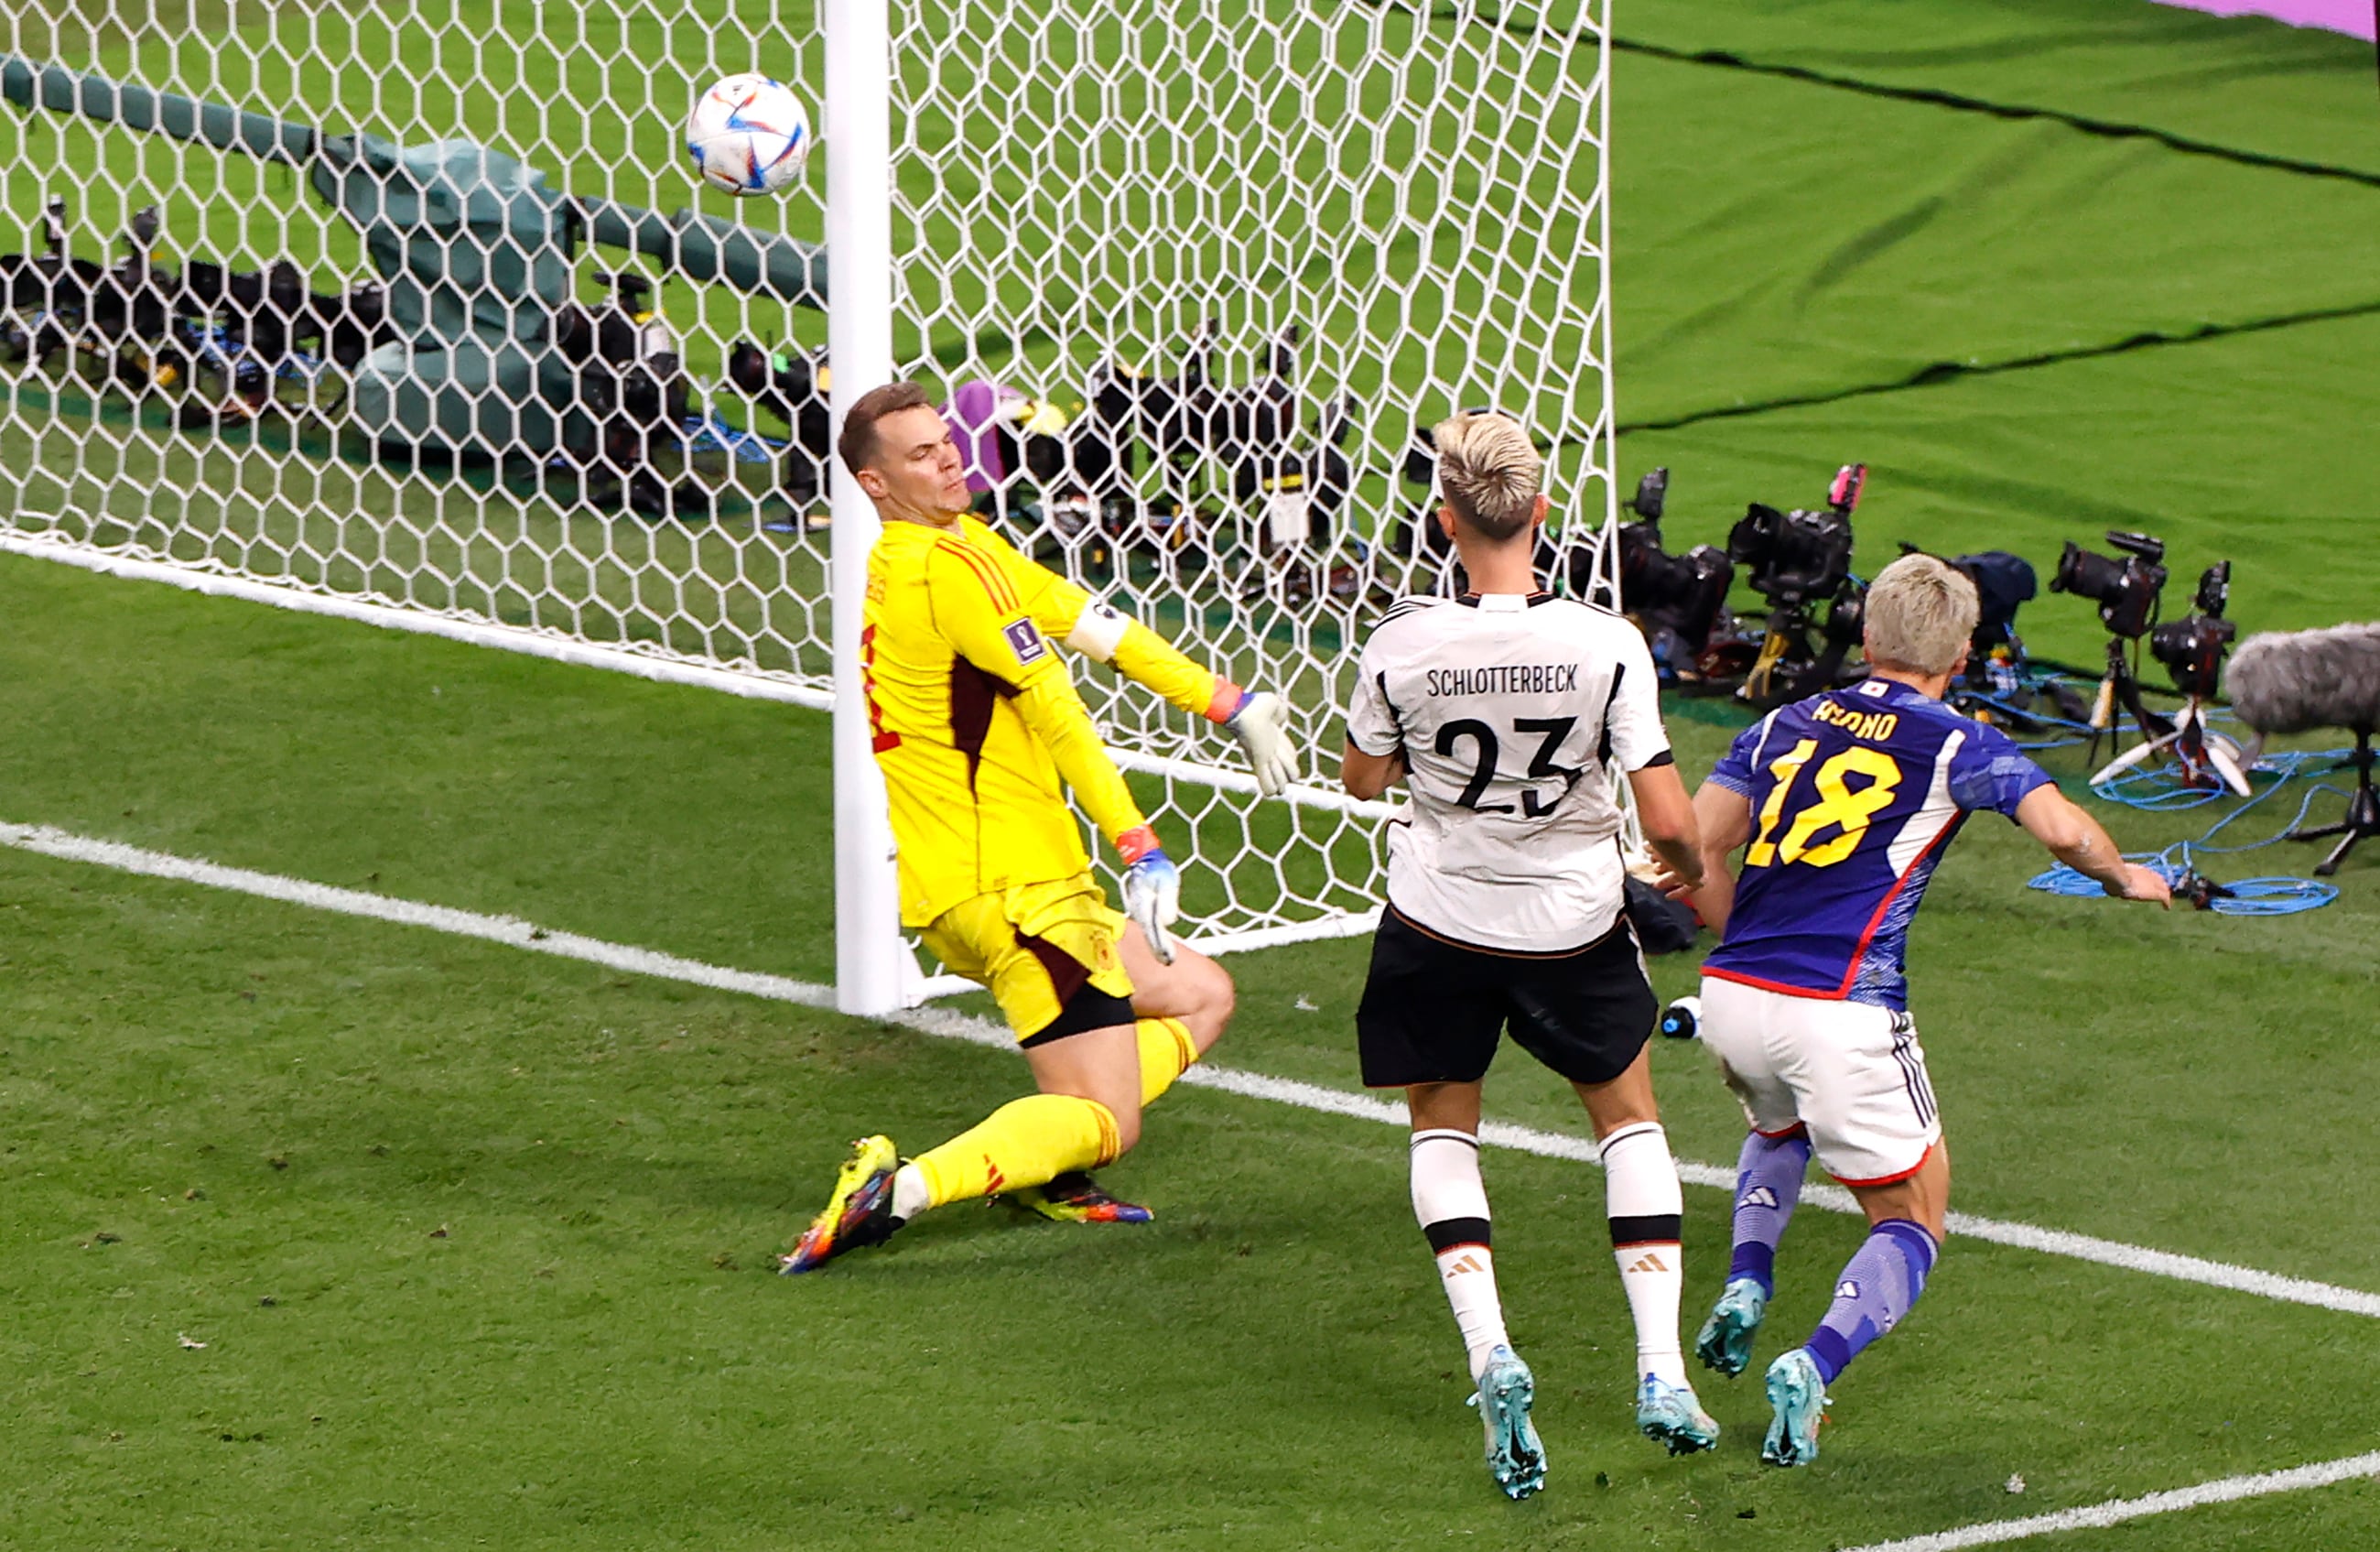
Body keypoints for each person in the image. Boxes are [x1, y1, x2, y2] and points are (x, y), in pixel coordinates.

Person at [1667, 552, 2170, 1466]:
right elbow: (2063, 830)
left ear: (1865, 636)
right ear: (1963, 652)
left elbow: (1690, 844)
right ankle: (1812, 1366)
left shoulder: (1782, 720)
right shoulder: (1956, 742)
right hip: (1842, 1008)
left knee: (1779, 1126)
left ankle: (1746, 1281)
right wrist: (2123, 876)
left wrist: (1733, 938)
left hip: (1730, 994)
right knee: (1911, 1221)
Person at [782, 381, 1295, 1272]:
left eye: (944, 441)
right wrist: (1140, 844)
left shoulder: (960, 547)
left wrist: (1225, 701)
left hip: (1007, 882)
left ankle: (1044, 1165)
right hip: (1013, 894)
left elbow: (1095, 625)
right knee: (1109, 1120)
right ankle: (898, 1190)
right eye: (918, 454)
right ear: (873, 484)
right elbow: (1057, 710)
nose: (945, 458)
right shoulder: (940, 574)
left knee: (1202, 995)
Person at [1341, 411, 1720, 1500]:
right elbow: (1661, 812)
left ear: (1444, 519)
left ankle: (1489, 1352)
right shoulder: (1604, 644)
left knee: (1441, 1125)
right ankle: (1658, 1371)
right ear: (1541, 512)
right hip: (1570, 925)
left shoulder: (1402, 643)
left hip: (1437, 920)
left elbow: (1362, 782)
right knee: (1628, 1118)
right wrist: (1688, 875)